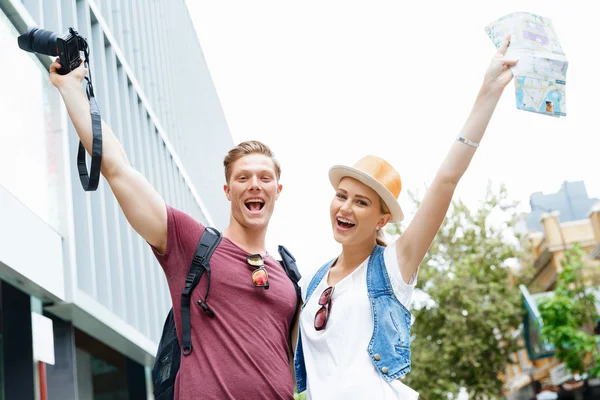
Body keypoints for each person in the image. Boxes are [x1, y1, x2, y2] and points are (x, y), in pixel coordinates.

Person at [49, 62, 298, 399]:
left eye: (264, 178)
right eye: (243, 178)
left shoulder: (290, 278)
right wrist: (70, 87)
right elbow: (118, 169)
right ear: (227, 191)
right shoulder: (191, 243)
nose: (254, 185)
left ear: (277, 190)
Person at [294, 35, 519, 399]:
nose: (346, 208)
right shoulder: (312, 284)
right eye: (341, 196)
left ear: (383, 219)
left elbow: (446, 181)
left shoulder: (394, 266)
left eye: (362, 203)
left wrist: (488, 92)